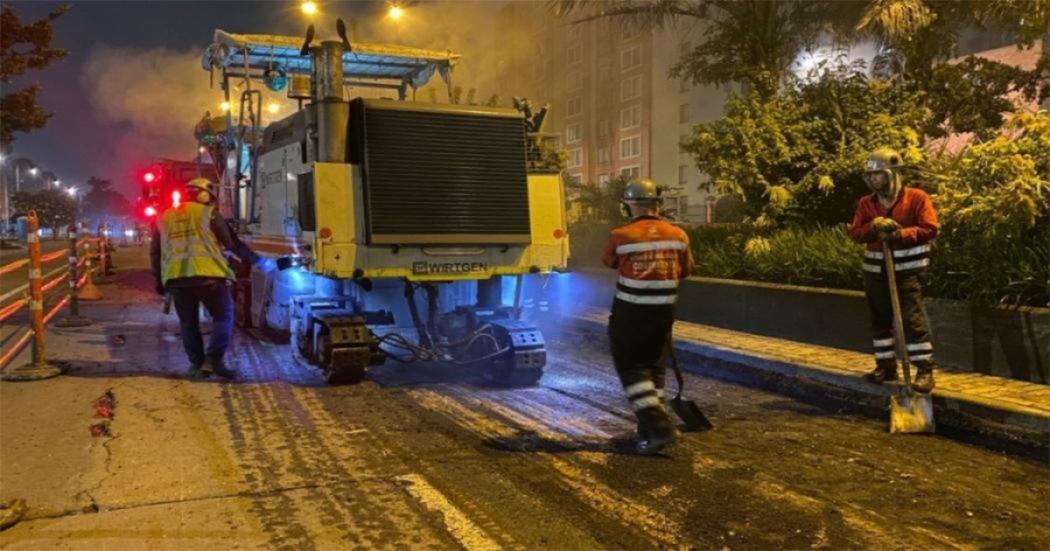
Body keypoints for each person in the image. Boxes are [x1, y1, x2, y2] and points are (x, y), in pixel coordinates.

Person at [601, 179, 693, 454]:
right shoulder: (678, 235)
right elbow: (686, 270)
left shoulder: (621, 235)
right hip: (663, 312)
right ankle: (649, 426)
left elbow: (609, 261)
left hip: (631, 312)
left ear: (628, 205)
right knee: (654, 367)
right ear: (657, 204)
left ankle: (658, 427)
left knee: (631, 367)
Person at [848, 148, 940, 392]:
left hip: (908, 270)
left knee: (912, 319)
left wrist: (900, 234)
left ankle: (924, 370)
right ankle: (886, 365)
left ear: (891, 174)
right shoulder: (867, 204)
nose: (873, 179)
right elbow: (856, 233)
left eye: (878, 174)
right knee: (879, 320)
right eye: (870, 175)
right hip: (875, 271)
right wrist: (873, 225)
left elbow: (930, 228)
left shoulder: (917, 198)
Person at [150, 178, 250, 379]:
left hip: (177, 278)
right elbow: (229, 242)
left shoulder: (163, 217)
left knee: (188, 322)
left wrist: (159, 281)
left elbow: (155, 253)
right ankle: (213, 360)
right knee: (224, 317)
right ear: (204, 195)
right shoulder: (209, 213)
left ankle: (196, 365)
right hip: (208, 275)